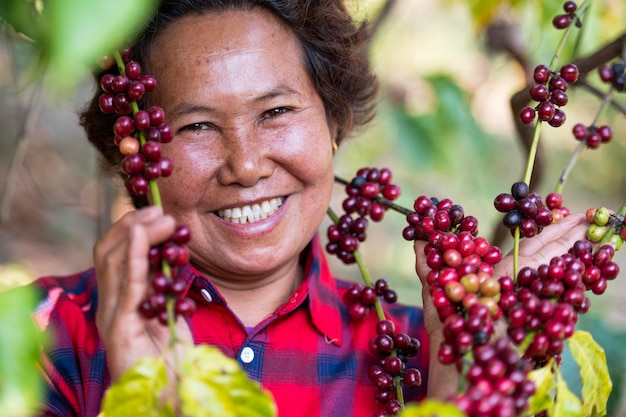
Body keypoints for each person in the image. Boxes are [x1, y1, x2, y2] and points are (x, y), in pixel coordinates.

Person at [27, 1, 590, 416]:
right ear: (135, 156)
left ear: (334, 126)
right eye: (196, 126)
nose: (245, 166)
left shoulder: (422, 351)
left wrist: (455, 398)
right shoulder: (42, 336)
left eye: (275, 112)